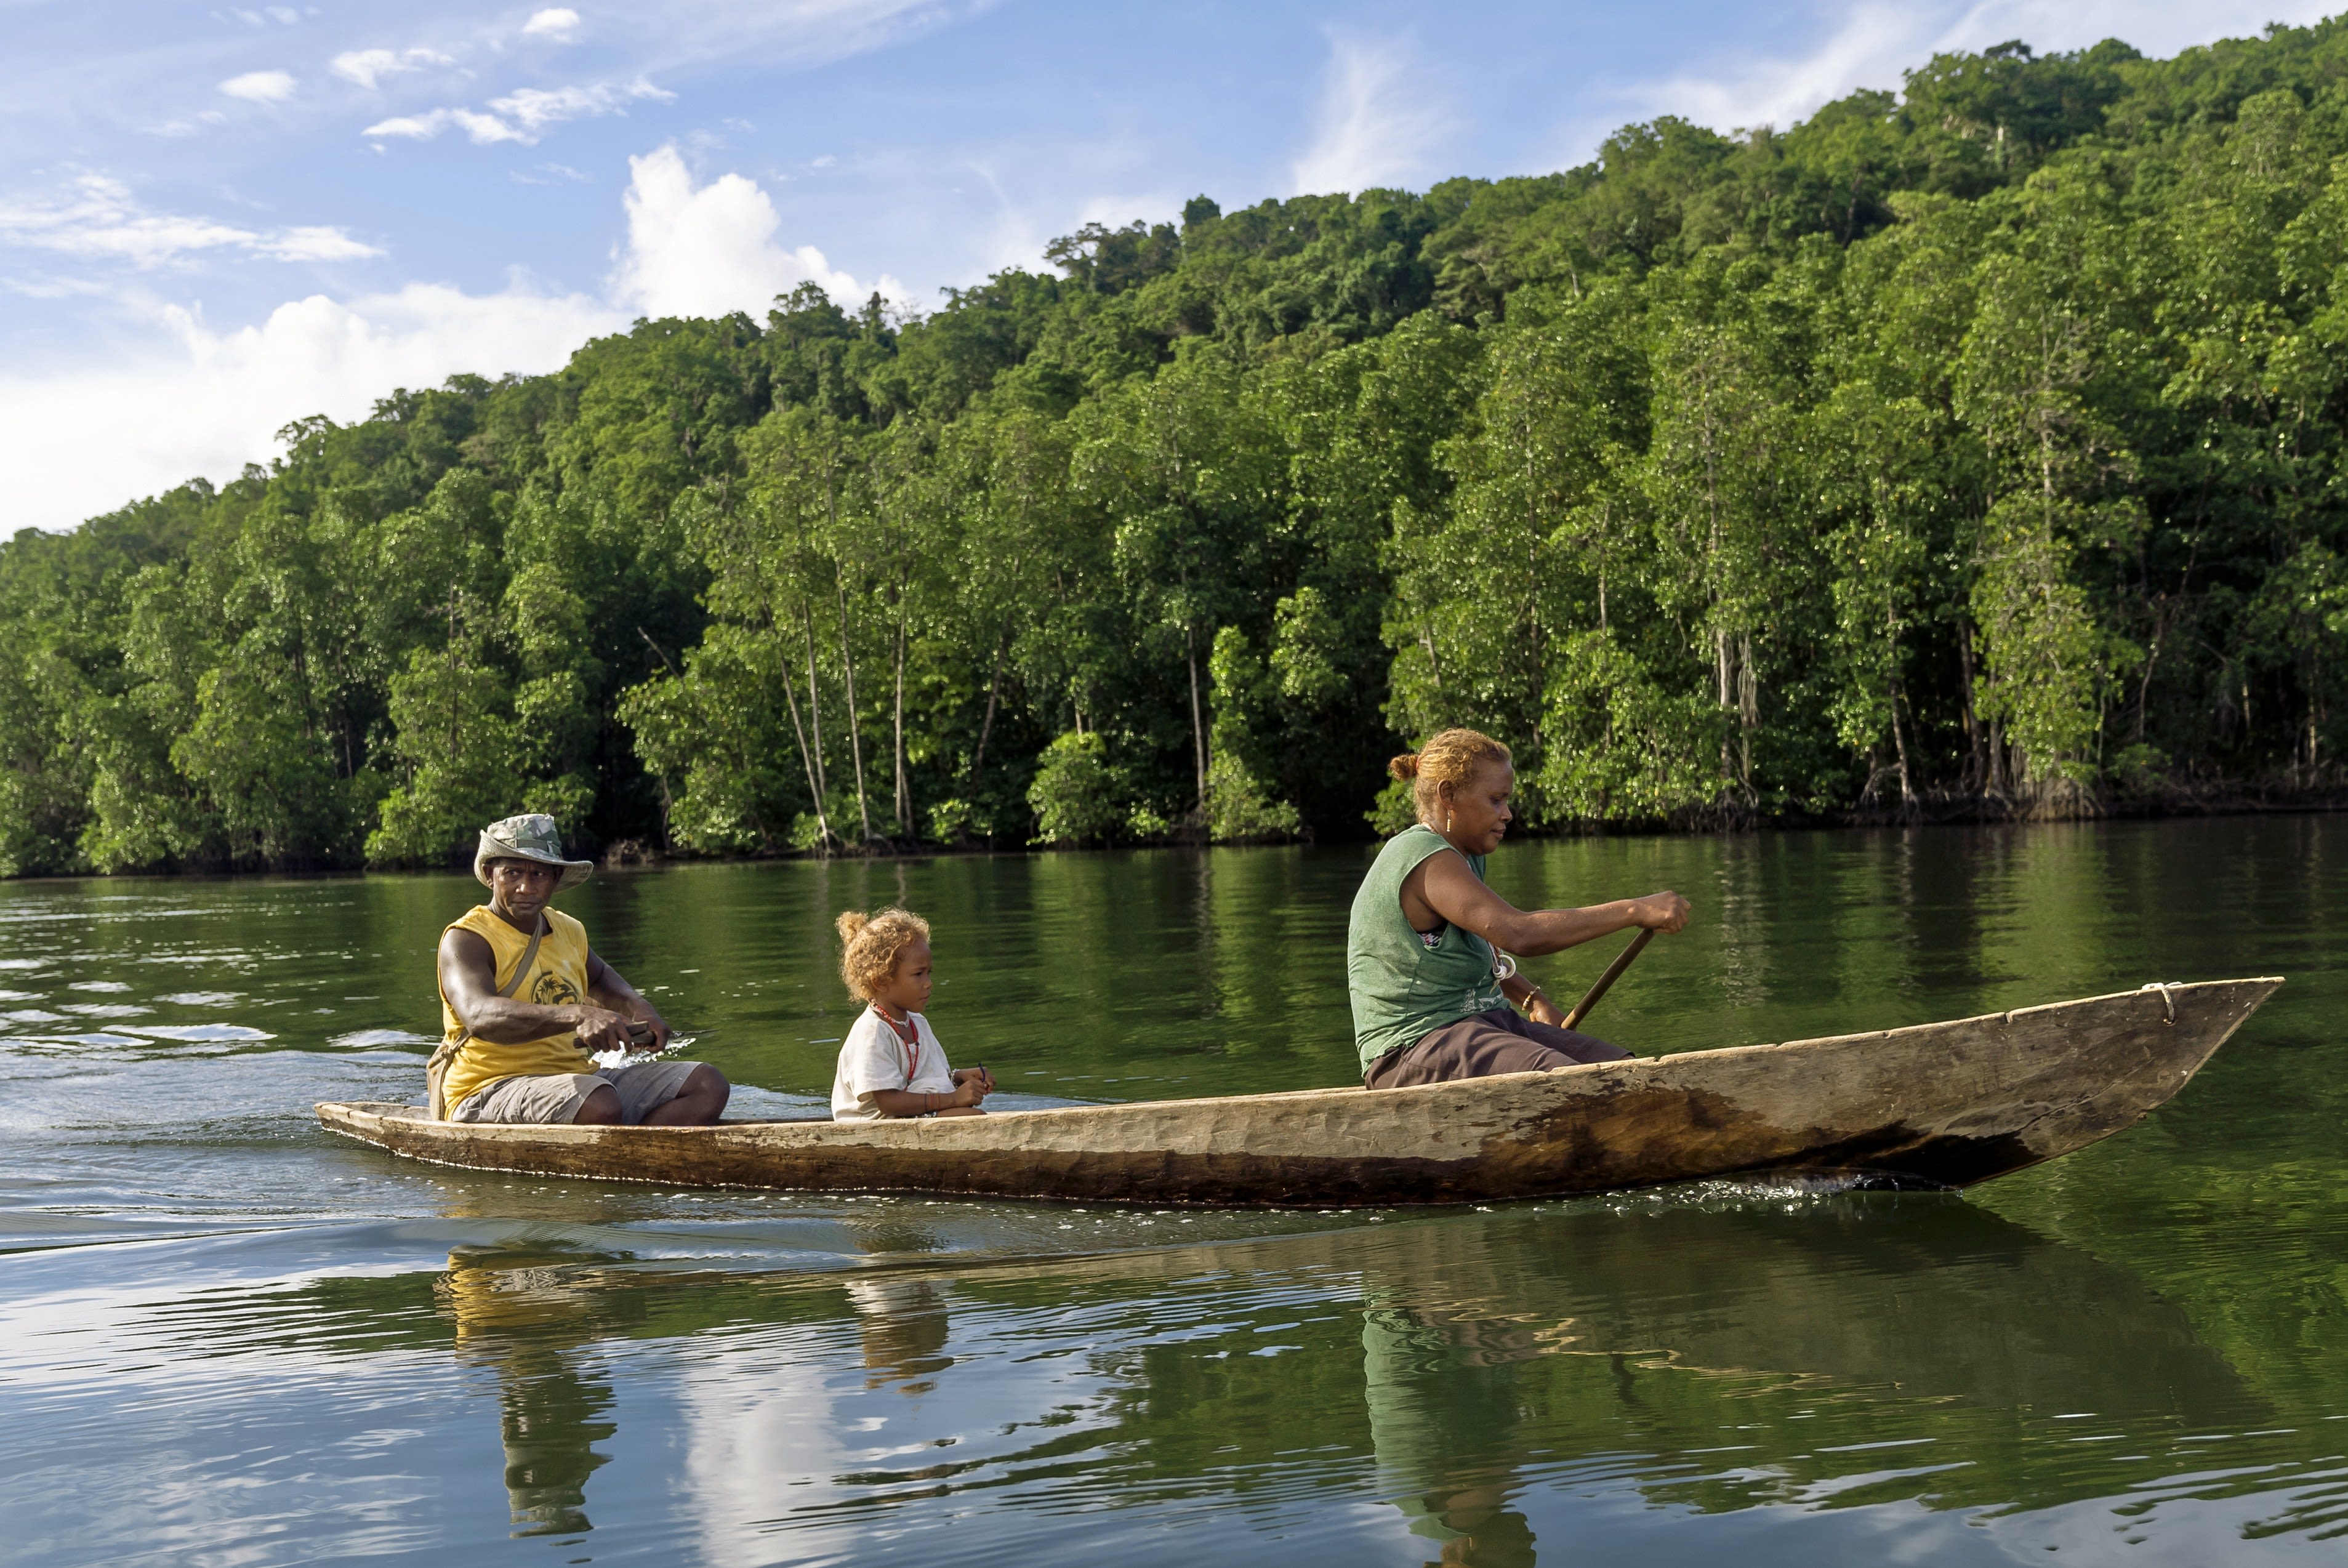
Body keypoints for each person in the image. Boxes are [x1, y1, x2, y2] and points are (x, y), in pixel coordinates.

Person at [1348, 729, 1691, 1088]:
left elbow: (1483, 946)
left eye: (1507, 800)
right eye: (1495, 800)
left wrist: (1531, 998)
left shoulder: (1465, 855)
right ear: (1448, 795)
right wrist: (1635, 910)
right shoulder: (1423, 857)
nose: (1507, 814)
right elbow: (1518, 933)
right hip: (1413, 1048)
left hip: (1483, 1023)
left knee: (1623, 1069)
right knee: (1571, 1083)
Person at [433, 813, 730, 1125]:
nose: (525, 887)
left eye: (539, 875)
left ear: (555, 879)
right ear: (490, 874)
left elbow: (601, 979)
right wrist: (580, 1015)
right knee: (600, 1103)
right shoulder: (467, 938)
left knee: (707, 1085)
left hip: (578, 1083)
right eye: (513, 873)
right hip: (488, 1090)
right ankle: (622, 1153)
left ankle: (641, 1160)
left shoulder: (569, 929)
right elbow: (479, 1015)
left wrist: (641, 1011)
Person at [830, 907, 994, 1120]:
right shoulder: (872, 1032)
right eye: (918, 974)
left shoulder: (917, 1024)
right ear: (880, 982)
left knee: (970, 1116)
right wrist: (953, 1099)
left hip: (906, 1119)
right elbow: (889, 1102)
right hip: (876, 1128)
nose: (928, 983)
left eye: (929, 973)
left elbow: (921, 1078)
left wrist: (958, 1078)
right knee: (972, 1118)